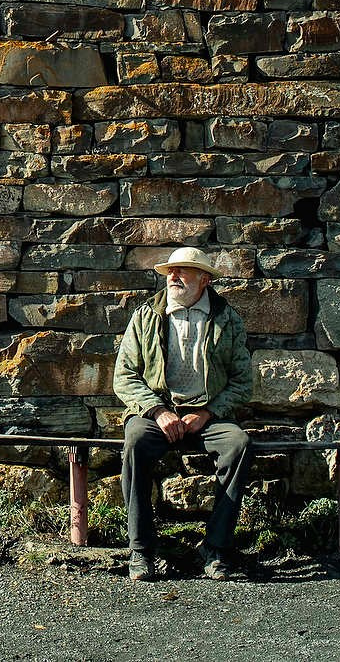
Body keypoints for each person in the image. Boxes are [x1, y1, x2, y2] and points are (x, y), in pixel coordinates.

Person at [113, 245, 254, 582]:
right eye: (170, 271)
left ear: (204, 279)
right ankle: (141, 550)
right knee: (134, 440)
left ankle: (215, 548)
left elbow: (242, 382)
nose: (173, 276)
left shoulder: (226, 318)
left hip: (207, 415)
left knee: (238, 443)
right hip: (155, 412)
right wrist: (157, 410)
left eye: (184, 270)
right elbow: (124, 376)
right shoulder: (146, 315)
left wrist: (207, 413)